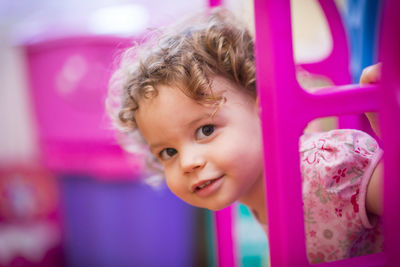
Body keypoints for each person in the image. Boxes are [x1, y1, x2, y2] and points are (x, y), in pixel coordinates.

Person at [106, 8, 383, 264]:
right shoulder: (256, 192)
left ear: (263, 108)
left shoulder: (324, 169)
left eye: (205, 130)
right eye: (168, 152)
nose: (187, 162)